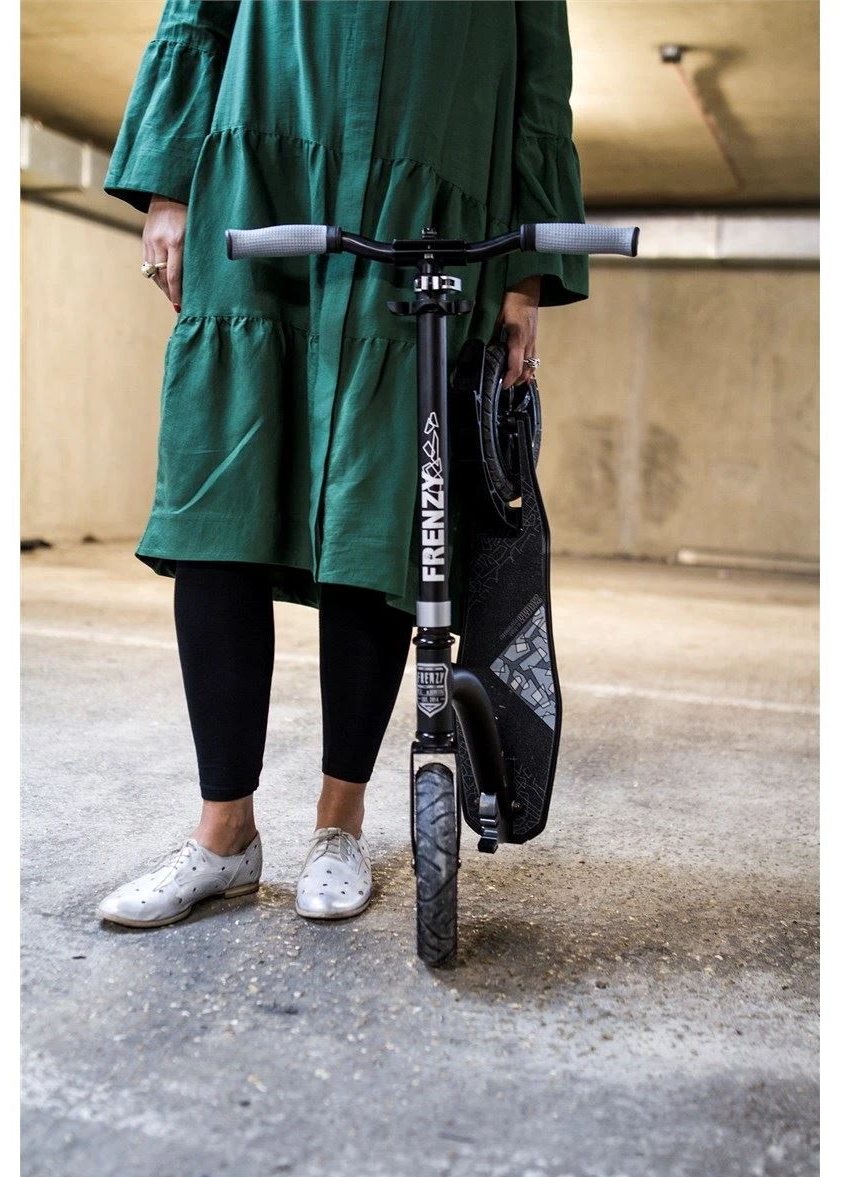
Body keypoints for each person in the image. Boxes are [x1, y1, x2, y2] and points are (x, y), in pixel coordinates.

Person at [95, 0, 589, 927]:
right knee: (219, 511)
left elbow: (538, 84)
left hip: (428, 203)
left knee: (381, 512)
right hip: (261, 182)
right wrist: (167, 187)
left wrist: (525, 274)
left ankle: (340, 824)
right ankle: (223, 836)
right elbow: (197, 12)